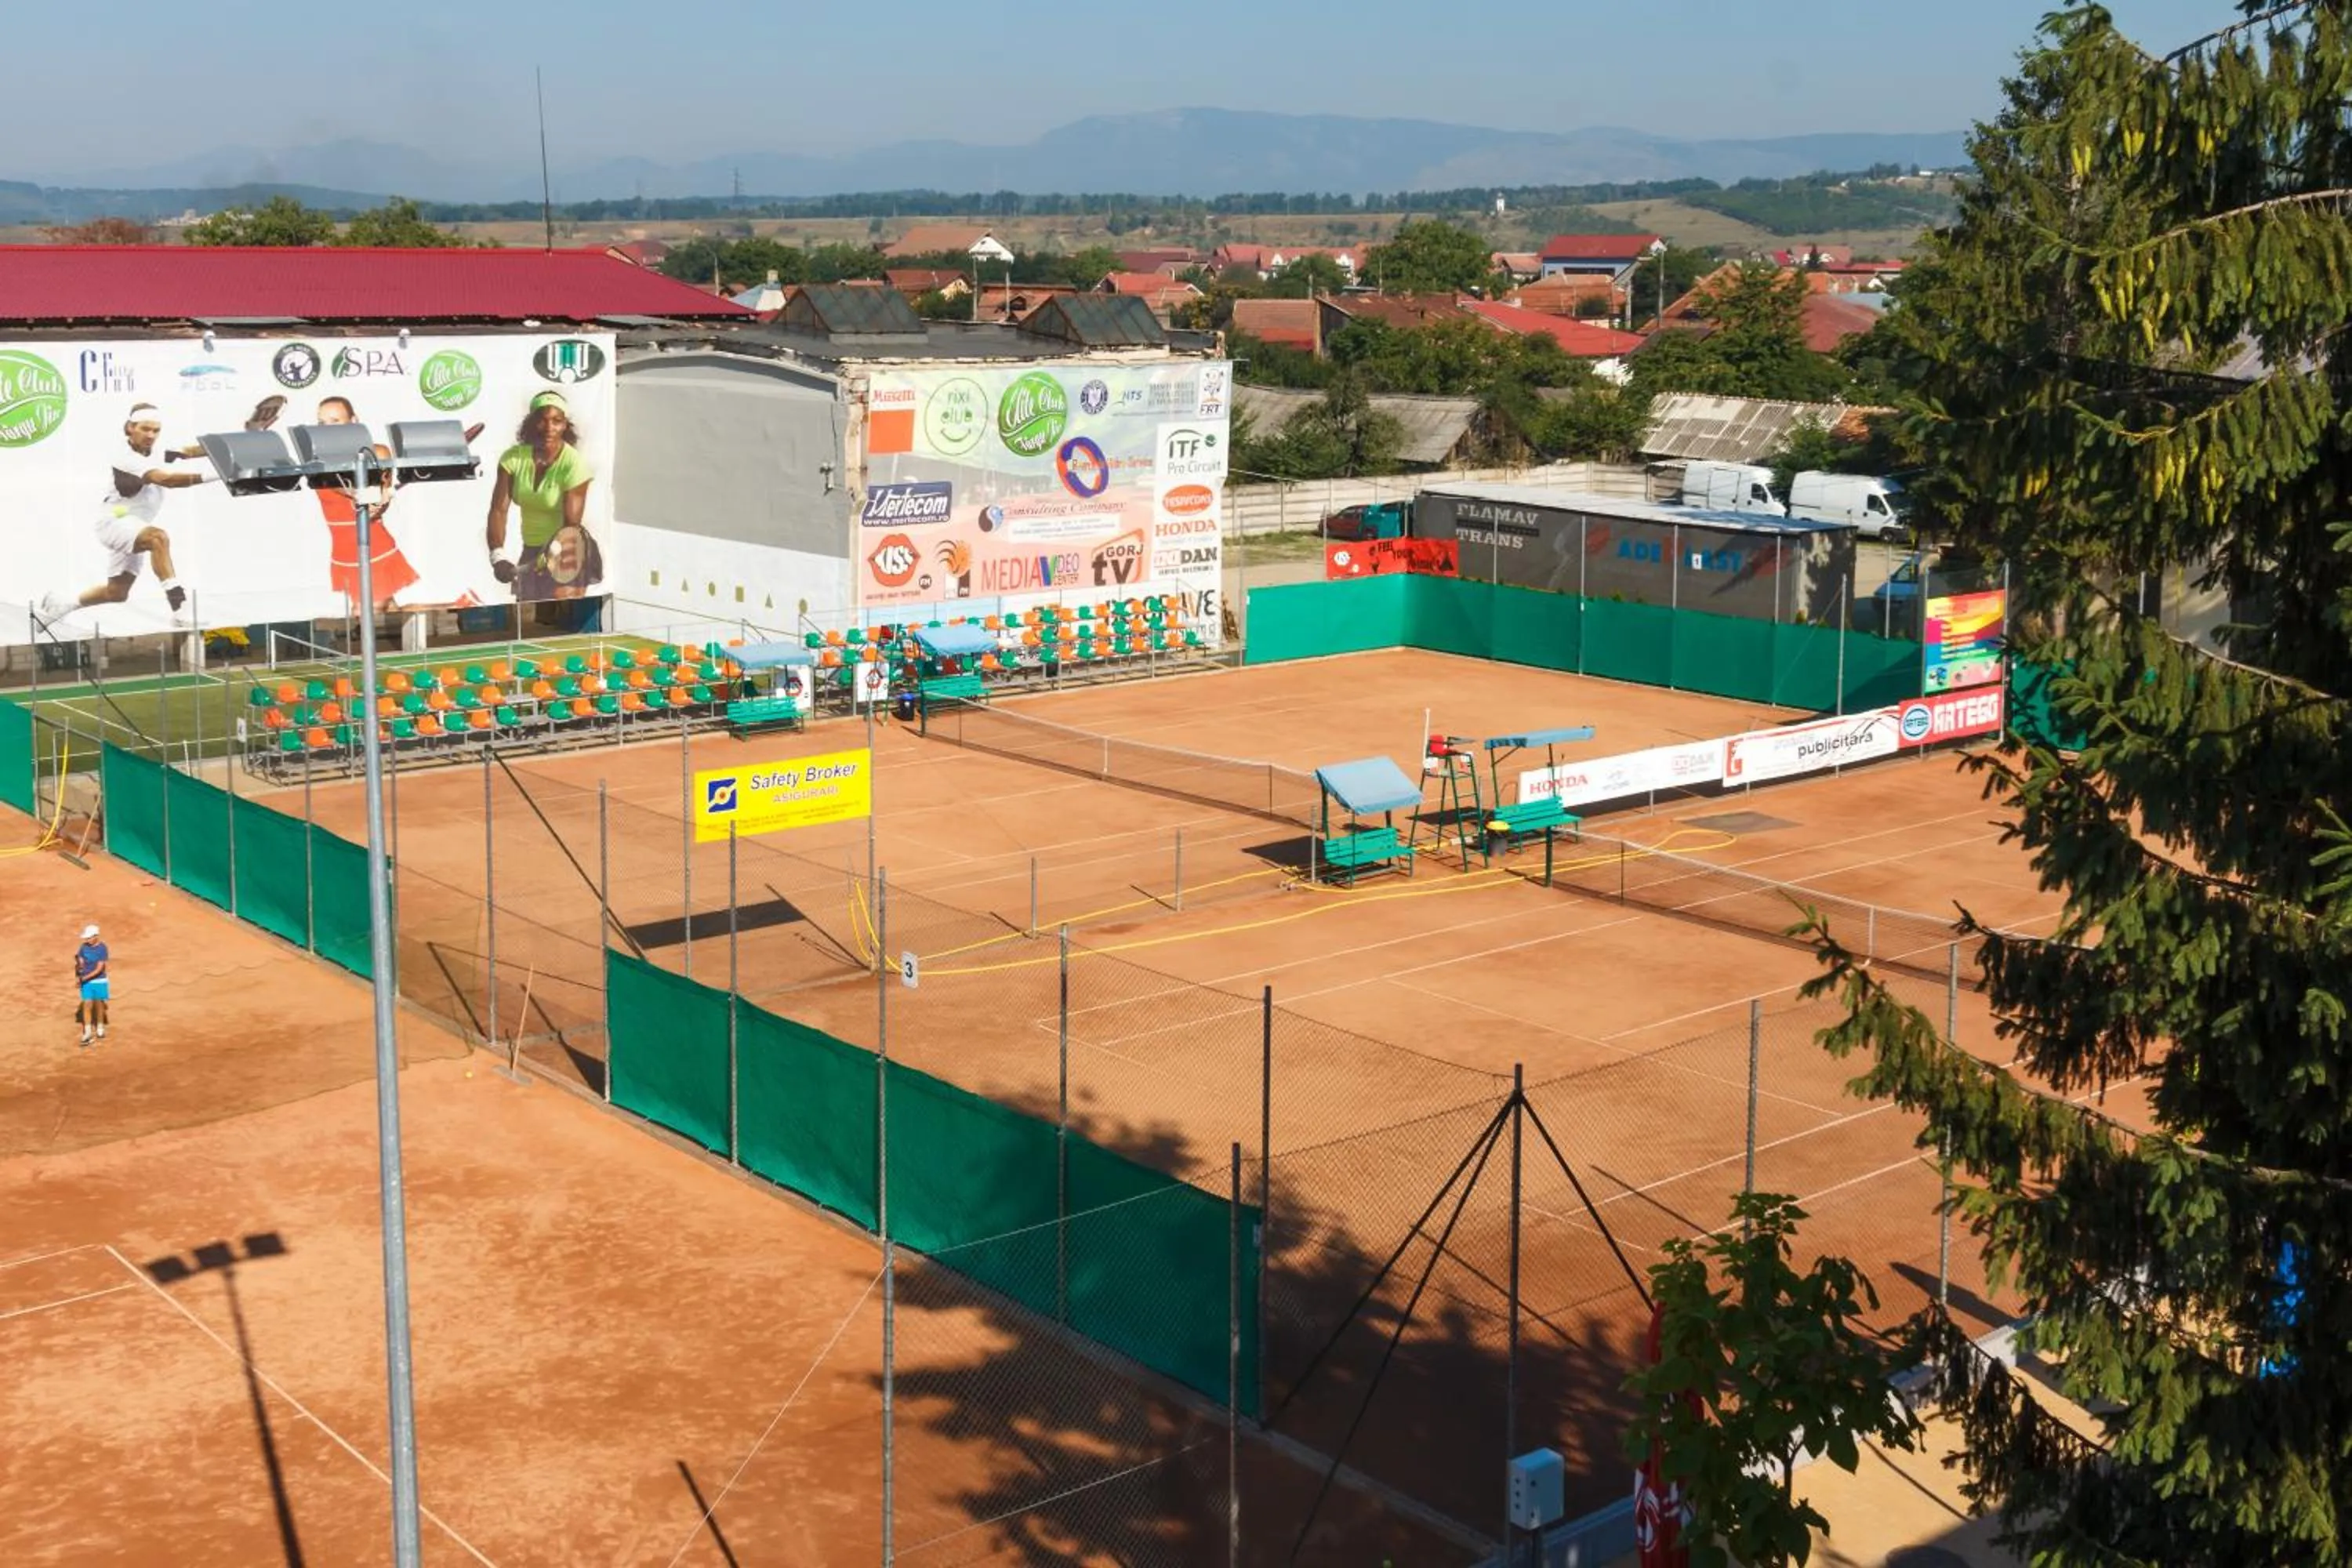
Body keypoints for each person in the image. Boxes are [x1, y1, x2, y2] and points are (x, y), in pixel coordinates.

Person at [38, 403, 215, 627]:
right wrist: (219, 474)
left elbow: (191, 451)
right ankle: (180, 607)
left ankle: (63, 604)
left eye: (156, 430)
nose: (151, 435)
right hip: (113, 523)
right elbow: (167, 481)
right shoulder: (124, 457)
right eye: (145, 429)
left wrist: (238, 443)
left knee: (117, 592)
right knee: (158, 538)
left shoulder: (158, 448)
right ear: (130, 428)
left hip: (134, 525)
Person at [485, 391, 602, 605]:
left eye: (557, 421)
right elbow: (498, 510)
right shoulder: (512, 459)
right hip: (531, 551)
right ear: (531, 424)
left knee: (560, 612)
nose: (550, 428)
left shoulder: (574, 464)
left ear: (565, 425)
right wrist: (498, 556)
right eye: (542, 420)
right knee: (527, 618)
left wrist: (547, 558)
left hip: (567, 549)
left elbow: (571, 525)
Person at [313, 396, 419, 614]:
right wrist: (358, 494)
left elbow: (382, 495)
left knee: (364, 613)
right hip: (344, 553)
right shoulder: (317, 461)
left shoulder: (378, 453)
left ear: (354, 420)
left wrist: (378, 505)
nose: (328, 429)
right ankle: (459, 605)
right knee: (387, 613)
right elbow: (336, 485)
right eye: (322, 423)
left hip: (372, 547)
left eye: (335, 421)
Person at [74, 923, 109, 1046]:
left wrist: (84, 978)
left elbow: (99, 969)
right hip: (86, 981)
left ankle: (100, 1027)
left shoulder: (102, 948)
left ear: (96, 937)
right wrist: (80, 966)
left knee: (99, 1004)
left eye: (89, 938)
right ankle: (87, 1031)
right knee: (87, 1004)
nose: (86, 940)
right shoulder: (84, 947)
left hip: (99, 980)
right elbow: (80, 959)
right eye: (86, 938)